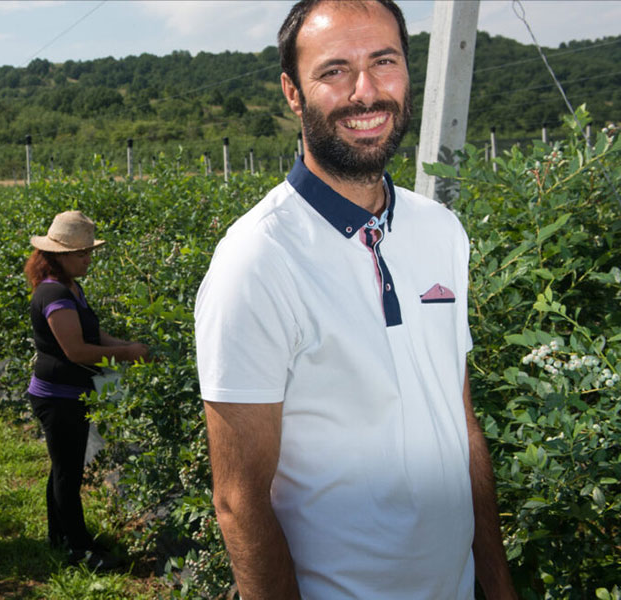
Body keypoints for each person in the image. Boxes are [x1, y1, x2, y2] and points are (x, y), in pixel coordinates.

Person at [194, 1, 518, 598]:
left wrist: (496, 581)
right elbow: (240, 500)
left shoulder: (441, 230)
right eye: (334, 70)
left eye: (384, 62)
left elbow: (461, 423)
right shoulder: (257, 260)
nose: (366, 93)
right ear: (293, 92)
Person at [24, 210, 148, 569]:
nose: (88, 259)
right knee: (68, 472)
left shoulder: (69, 288)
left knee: (62, 466)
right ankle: (79, 551)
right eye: (82, 254)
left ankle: (60, 536)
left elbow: (91, 336)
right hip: (57, 397)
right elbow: (75, 350)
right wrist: (124, 353)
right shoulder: (54, 295)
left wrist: (128, 347)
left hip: (67, 392)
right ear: (60, 256)